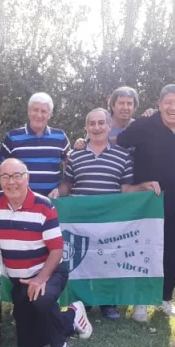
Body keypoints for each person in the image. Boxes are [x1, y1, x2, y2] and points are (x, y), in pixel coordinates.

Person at [0, 159, 93, 347]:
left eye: (17, 176)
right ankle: (72, 316)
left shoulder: (44, 206)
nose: (11, 182)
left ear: (27, 178)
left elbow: (57, 250)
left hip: (50, 272)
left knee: (41, 298)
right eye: (5, 177)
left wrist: (41, 279)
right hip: (20, 281)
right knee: (29, 344)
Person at [117, 84, 175, 318]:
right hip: (147, 200)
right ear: (159, 105)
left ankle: (165, 298)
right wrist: (87, 141)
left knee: (172, 251)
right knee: (143, 248)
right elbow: (118, 141)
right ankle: (141, 300)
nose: (173, 107)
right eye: (168, 102)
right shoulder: (144, 124)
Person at [58, 108, 135, 321]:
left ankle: (107, 303)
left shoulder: (123, 155)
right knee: (83, 259)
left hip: (109, 220)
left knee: (108, 259)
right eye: (92, 123)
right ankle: (84, 301)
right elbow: (68, 185)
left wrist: (145, 188)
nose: (97, 127)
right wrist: (56, 193)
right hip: (80, 220)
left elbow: (126, 189)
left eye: (101, 123)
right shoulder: (75, 156)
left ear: (109, 126)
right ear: (86, 127)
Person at [2, 92, 70, 198]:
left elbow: (70, 168)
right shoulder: (13, 137)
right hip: (19, 201)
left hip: (51, 200)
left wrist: (60, 190)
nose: (39, 115)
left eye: (44, 111)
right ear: (29, 111)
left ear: (49, 115)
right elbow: (2, 169)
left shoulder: (60, 137)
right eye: (35, 110)